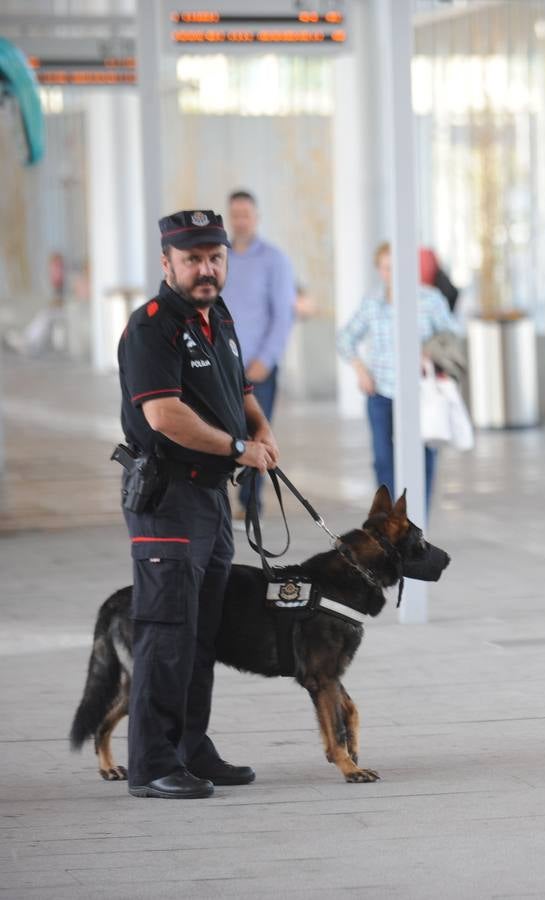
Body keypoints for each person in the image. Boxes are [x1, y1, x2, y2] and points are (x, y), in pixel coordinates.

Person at [116, 209, 280, 798]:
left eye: (214, 257)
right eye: (192, 260)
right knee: (166, 631)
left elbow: (240, 391)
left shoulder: (220, 318)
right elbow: (165, 416)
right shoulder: (151, 327)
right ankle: (152, 763)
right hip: (168, 499)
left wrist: (259, 430)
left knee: (203, 631)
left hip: (210, 499)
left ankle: (190, 746)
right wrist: (239, 446)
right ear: (167, 263)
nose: (205, 269)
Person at [337, 241, 461, 509]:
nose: (391, 273)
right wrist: (360, 370)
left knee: (423, 458)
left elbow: (453, 335)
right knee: (383, 460)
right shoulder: (372, 303)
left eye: (397, 267)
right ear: (379, 270)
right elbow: (345, 338)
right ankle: (391, 521)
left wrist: (431, 351)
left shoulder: (430, 300)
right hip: (381, 392)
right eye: (385, 268)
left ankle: (418, 521)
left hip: (420, 394)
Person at [225, 189, 296, 520]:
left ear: (256, 218)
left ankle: (250, 506)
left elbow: (283, 315)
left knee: (256, 434)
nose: (240, 221)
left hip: (258, 369)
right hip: (221, 368)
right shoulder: (218, 257)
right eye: (235, 214)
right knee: (221, 434)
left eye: (246, 215)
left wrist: (265, 360)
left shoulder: (274, 260)